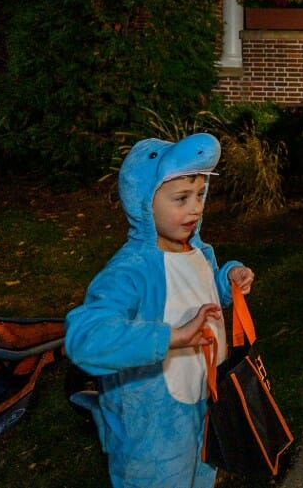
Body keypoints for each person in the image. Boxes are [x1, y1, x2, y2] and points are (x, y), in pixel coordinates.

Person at [64, 133, 256, 488]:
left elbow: (201, 290)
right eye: (181, 198)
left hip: (205, 402)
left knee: (203, 474)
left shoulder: (198, 250)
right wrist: (172, 337)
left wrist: (228, 276)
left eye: (200, 195)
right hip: (153, 427)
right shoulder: (131, 271)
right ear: (143, 203)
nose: (195, 208)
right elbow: (84, 337)